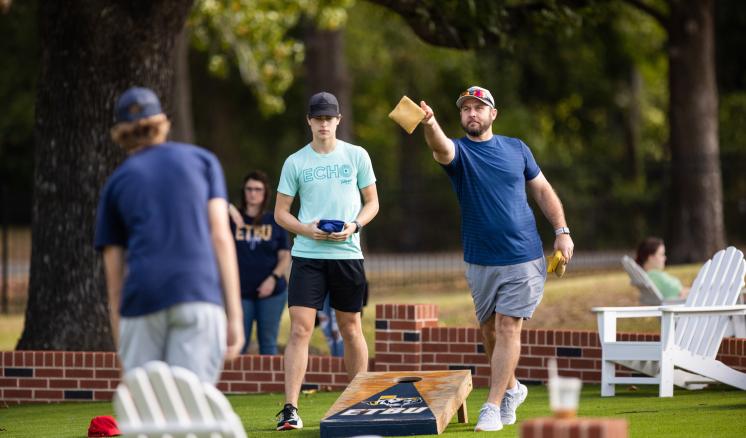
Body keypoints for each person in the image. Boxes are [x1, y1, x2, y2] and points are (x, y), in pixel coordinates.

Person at [419, 86, 574, 432]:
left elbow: (543, 190)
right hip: (480, 260)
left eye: (479, 107)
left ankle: (491, 405)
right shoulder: (459, 154)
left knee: (507, 326)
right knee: (489, 330)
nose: (472, 113)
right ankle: (513, 388)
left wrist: (562, 230)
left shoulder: (517, 149)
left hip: (523, 255)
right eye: (466, 109)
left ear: (493, 114)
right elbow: (440, 147)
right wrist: (430, 123)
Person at [95, 86, 244, 384]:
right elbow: (221, 237)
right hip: (197, 293)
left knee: (147, 413)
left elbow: (114, 283)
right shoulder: (203, 162)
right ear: (162, 121)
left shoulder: (115, 184)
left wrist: (123, 348)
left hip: (142, 300)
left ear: (121, 131)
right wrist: (235, 315)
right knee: (192, 410)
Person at [274, 91, 379, 430]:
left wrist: (355, 225)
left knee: (351, 328)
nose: (323, 123)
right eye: (317, 117)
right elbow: (280, 213)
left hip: (347, 255)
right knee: (301, 329)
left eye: (328, 117)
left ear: (338, 120)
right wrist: (305, 229)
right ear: (309, 120)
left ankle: (358, 402)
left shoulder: (357, 155)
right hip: (307, 255)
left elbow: (372, 203)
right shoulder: (295, 162)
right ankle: (290, 408)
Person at [228, 171, 291, 355]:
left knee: (268, 344)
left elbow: (285, 256)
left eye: (258, 189)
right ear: (243, 191)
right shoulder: (232, 220)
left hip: (271, 292)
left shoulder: (274, 220)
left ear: (265, 193)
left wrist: (272, 279)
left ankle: (268, 384)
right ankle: (237, 384)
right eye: (249, 189)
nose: (253, 193)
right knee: (238, 343)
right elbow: (208, 204)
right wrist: (229, 208)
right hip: (240, 291)